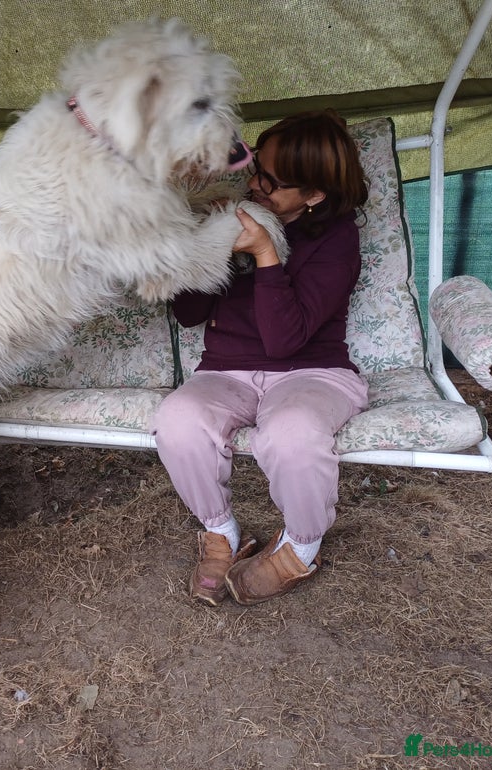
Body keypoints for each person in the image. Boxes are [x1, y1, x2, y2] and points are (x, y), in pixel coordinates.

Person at [152, 109, 369, 606]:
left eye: (270, 181)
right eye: (257, 169)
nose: (254, 183)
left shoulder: (337, 241)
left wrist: (267, 254)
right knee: (177, 419)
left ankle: (301, 546)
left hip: (312, 372)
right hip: (226, 371)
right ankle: (221, 532)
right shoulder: (234, 215)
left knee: (293, 434)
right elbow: (188, 313)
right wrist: (213, 245)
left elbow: (285, 342)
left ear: (313, 195)